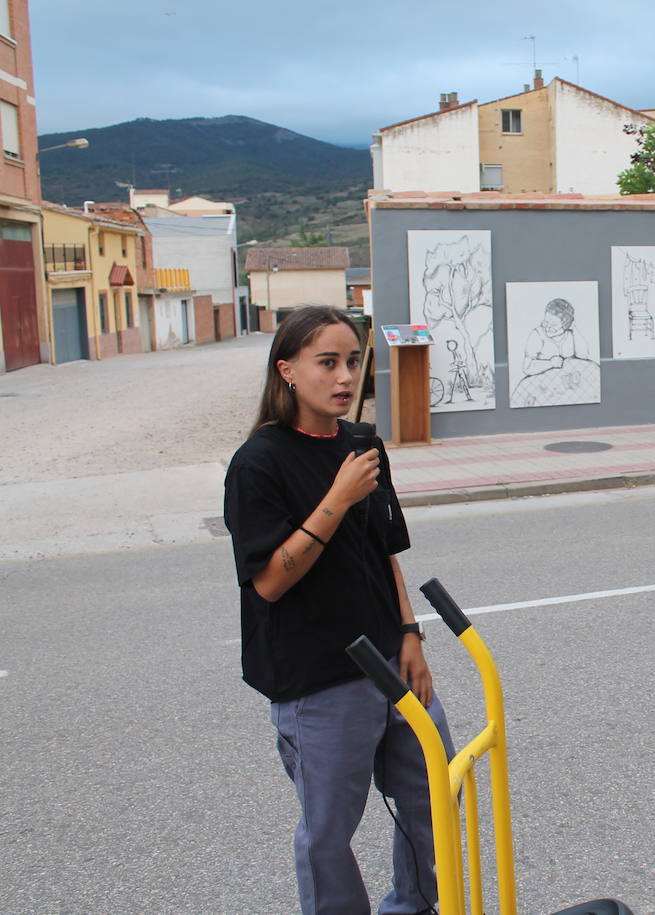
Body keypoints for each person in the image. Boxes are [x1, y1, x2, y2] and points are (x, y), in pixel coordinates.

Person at [224, 306, 455, 915]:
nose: (345, 376)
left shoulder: (363, 442)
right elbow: (270, 582)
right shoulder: (258, 462)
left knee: (435, 790)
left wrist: (410, 632)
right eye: (327, 362)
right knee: (329, 832)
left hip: (390, 657)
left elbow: (384, 549)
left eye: (353, 361)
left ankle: (415, 905)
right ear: (288, 371)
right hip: (317, 676)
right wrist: (337, 496)